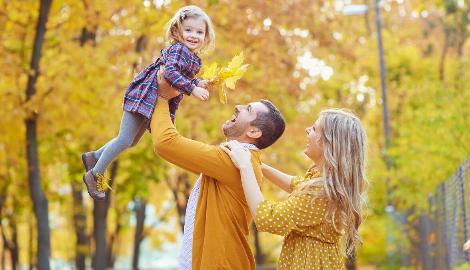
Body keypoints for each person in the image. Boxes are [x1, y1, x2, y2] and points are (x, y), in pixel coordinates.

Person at [81, 5, 215, 200]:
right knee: (125, 139)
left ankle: (93, 157)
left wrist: (198, 83)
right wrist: (192, 89)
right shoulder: (179, 49)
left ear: (206, 35)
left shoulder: (191, 57)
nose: (194, 35)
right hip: (145, 95)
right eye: (188, 30)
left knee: (132, 141)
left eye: (199, 32)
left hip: (152, 99)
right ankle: (95, 174)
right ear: (177, 31)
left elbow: (181, 76)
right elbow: (170, 73)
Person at [151, 75, 285, 269]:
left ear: (254, 132)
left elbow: (165, 143)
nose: (238, 106)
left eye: (248, 109)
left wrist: (162, 98)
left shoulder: (235, 161)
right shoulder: (238, 159)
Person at [221, 109, 368, 269]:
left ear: (329, 143)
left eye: (314, 129)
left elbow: (267, 219)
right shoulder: (322, 182)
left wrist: (245, 167)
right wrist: (258, 165)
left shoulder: (320, 192)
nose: (307, 129)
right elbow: (296, 184)